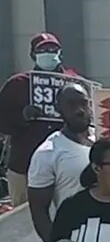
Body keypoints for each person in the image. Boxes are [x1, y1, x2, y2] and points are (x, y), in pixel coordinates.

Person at [0, 33, 79, 206]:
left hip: (66, 165)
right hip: (25, 165)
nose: (48, 53)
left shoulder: (74, 83)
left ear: (60, 53)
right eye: (42, 49)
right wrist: (22, 116)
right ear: (33, 54)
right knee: (22, 221)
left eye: (52, 49)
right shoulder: (18, 84)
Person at [27, 83, 94, 242]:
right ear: (59, 109)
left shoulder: (107, 140)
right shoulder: (47, 153)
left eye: (83, 103)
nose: (80, 110)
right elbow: (38, 211)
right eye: (71, 104)